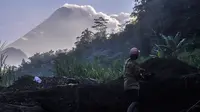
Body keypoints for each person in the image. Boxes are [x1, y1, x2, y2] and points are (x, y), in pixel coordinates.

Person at [123, 47, 146, 112]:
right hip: (133, 86)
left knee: (130, 102)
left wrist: (140, 70)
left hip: (126, 85)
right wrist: (143, 77)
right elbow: (137, 75)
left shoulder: (127, 62)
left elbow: (130, 71)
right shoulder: (135, 64)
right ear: (136, 55)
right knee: (135, 103)